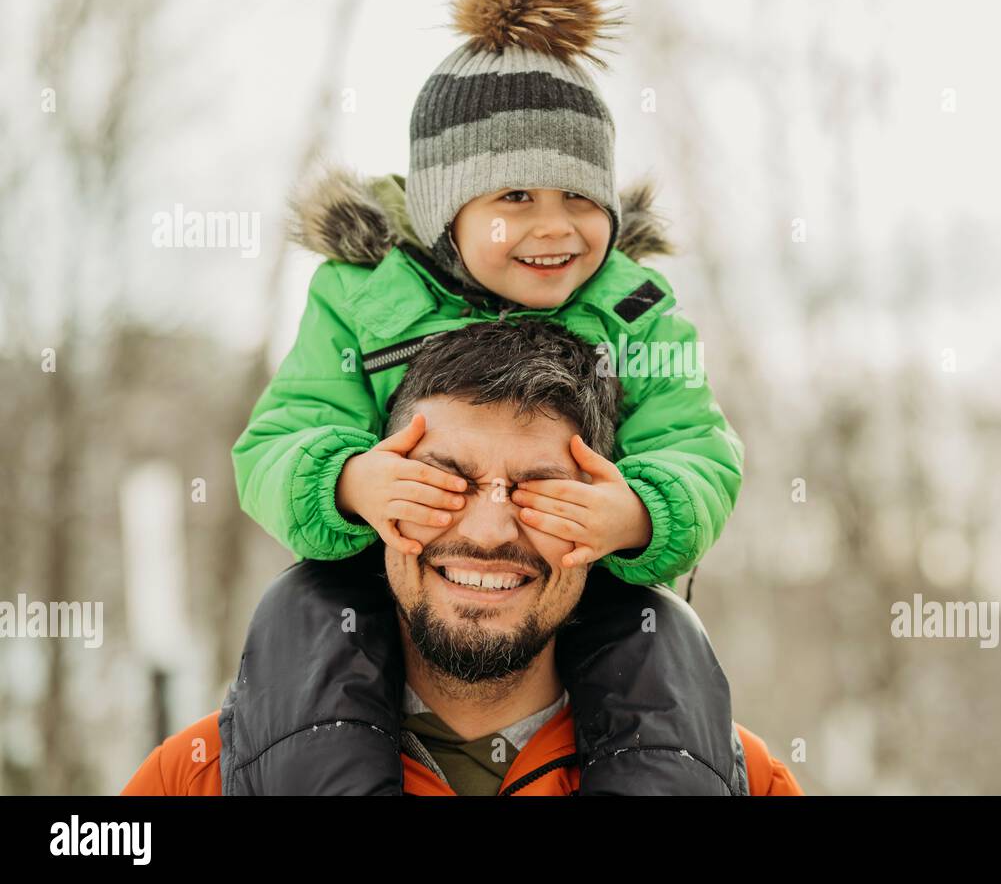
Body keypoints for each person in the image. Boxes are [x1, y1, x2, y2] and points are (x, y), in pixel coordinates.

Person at [227, 0, 744, 794]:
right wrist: (350, 483)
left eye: (581, 198)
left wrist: (640, 512)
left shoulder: (635, 309)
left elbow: (700, 446)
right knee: (306, 628)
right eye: (515, 199)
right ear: (444, 210)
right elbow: (281, 435)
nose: (557, 229)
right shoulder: (364, 296)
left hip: (571, 569)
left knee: (656, 647)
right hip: (390, 569)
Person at [124, 320, 800, 796]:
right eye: (442, 481)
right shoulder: (201, 778)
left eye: (542, 489)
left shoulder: (740, 783)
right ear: (370, 503)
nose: (488, 528)